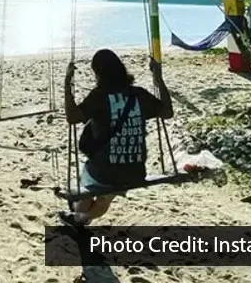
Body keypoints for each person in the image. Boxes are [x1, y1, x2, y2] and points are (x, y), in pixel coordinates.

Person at [62, 49, 173, 226]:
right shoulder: (139, 94)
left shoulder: (99, 96)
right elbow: (167, 112)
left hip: (104, 172)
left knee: (89, 186)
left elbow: (72, 118)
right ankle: (81, 218)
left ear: (98, 73)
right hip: (135, 171)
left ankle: (78, 214)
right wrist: (158, 79)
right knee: (105, 196)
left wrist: (67, 85)